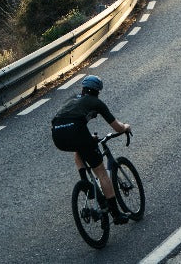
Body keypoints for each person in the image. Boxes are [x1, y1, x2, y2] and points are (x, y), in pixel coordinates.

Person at [50, 75, 134, 224]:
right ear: (98, 91)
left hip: (57, 134)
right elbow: (117, 127)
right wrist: (126, 127)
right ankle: (116, 214)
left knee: (79, 148)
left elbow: (69, 120)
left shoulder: (72, 99)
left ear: (83, 89)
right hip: (76, 131)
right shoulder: (96, 102)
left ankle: (86, 184)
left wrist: (89, 140)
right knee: (101, 172)